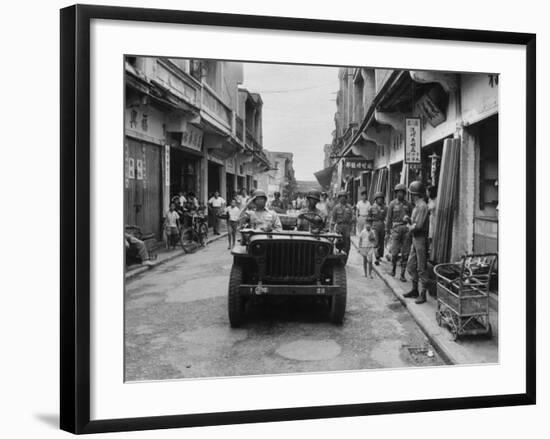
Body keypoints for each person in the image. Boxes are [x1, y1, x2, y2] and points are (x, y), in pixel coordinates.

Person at [403, 181, 430, 304]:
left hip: (420, 238)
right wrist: (409, 220)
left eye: (411, 193)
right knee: (411, 265)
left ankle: (423, 294)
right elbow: (414, 222)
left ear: (415, 194)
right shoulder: (417, 206)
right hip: (415, 238)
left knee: (421, 267)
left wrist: (409, 225)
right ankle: (415, 290)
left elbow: (417, 226)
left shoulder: (422, 206)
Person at [386, 183, 413, 281]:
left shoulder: (408, 205)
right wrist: (387, 232)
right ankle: (393, 270)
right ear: (396, 193)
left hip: (406, 230)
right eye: (398, 192)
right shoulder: (392, 204)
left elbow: (412, 218)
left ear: (404, 193)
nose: (400, 194)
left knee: (405, 253)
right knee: (394, 252)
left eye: (402, 192)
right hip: (396, 229)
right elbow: (389, 218)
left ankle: (402, 274)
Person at [330, 190, 354, 264]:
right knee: (338, 243)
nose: (343, 199)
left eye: (344, 197)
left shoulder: (349, 207)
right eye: (341, 197)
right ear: (339, 198)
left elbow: (352, 219)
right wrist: (331, 230)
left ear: (346, 198)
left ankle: (344, 260)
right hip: (339, 226)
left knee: (347, 245)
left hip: (347, 227)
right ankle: (338, 260)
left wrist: (351, 229)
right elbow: (333, 220)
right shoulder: (336, 208)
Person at [367, 191, 388, 266]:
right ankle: (376, 257)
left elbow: (387, 217)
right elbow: (369, 218)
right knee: (376, 241)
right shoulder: (372, 208)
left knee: (381, 242)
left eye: (381, 199)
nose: (380, 200)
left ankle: (379, 256)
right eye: (378, 199)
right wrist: (368, 227)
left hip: (382, 225)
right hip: (375, 225)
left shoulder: (385, 208)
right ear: (375, 199)